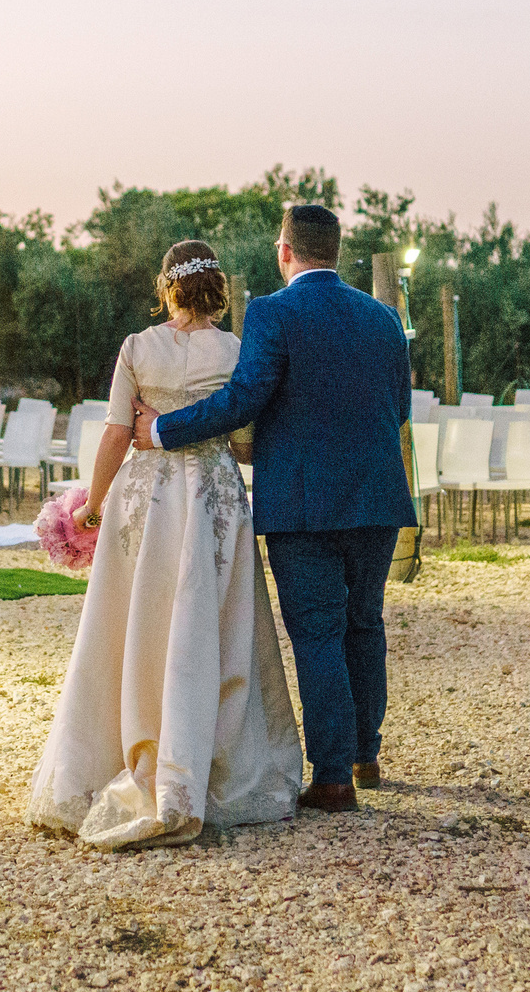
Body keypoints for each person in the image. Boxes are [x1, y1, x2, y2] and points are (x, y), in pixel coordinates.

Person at [132, 204, 414, 813]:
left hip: (304, 505)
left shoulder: (271, 312)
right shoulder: (384, 318)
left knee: (317, 631)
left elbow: (243, 400)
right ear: (336, 251)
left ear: (285, 252)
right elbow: (402, 408)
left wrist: (162, 430)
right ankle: (366, 753)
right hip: (378, 496)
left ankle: (334, 775)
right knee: (365, 624)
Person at [25, 240, 305, 849]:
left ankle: (125, 750)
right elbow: (247, 444)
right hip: (212, 503)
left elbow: (117, 435)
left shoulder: (137, 348)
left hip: (147, 505)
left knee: (136, 624)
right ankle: (208, 765)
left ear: (166, 288)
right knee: (214, 626)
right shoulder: (235, 351)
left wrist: (93, 508)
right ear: (219, 290)